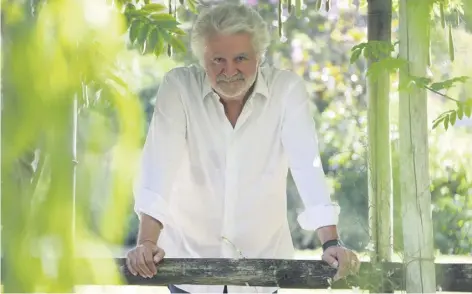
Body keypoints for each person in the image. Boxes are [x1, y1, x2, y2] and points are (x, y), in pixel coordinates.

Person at [125, 2, 360, 293]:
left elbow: (306, 165)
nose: (229, 70)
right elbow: (159, 165)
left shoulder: (286, 90)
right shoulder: (179, 88)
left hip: (263, 269)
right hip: (190, 267)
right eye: (217, 60)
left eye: (240, 58)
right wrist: (147, 242)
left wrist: (331, 242)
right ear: (202, 59)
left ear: (259, 55)